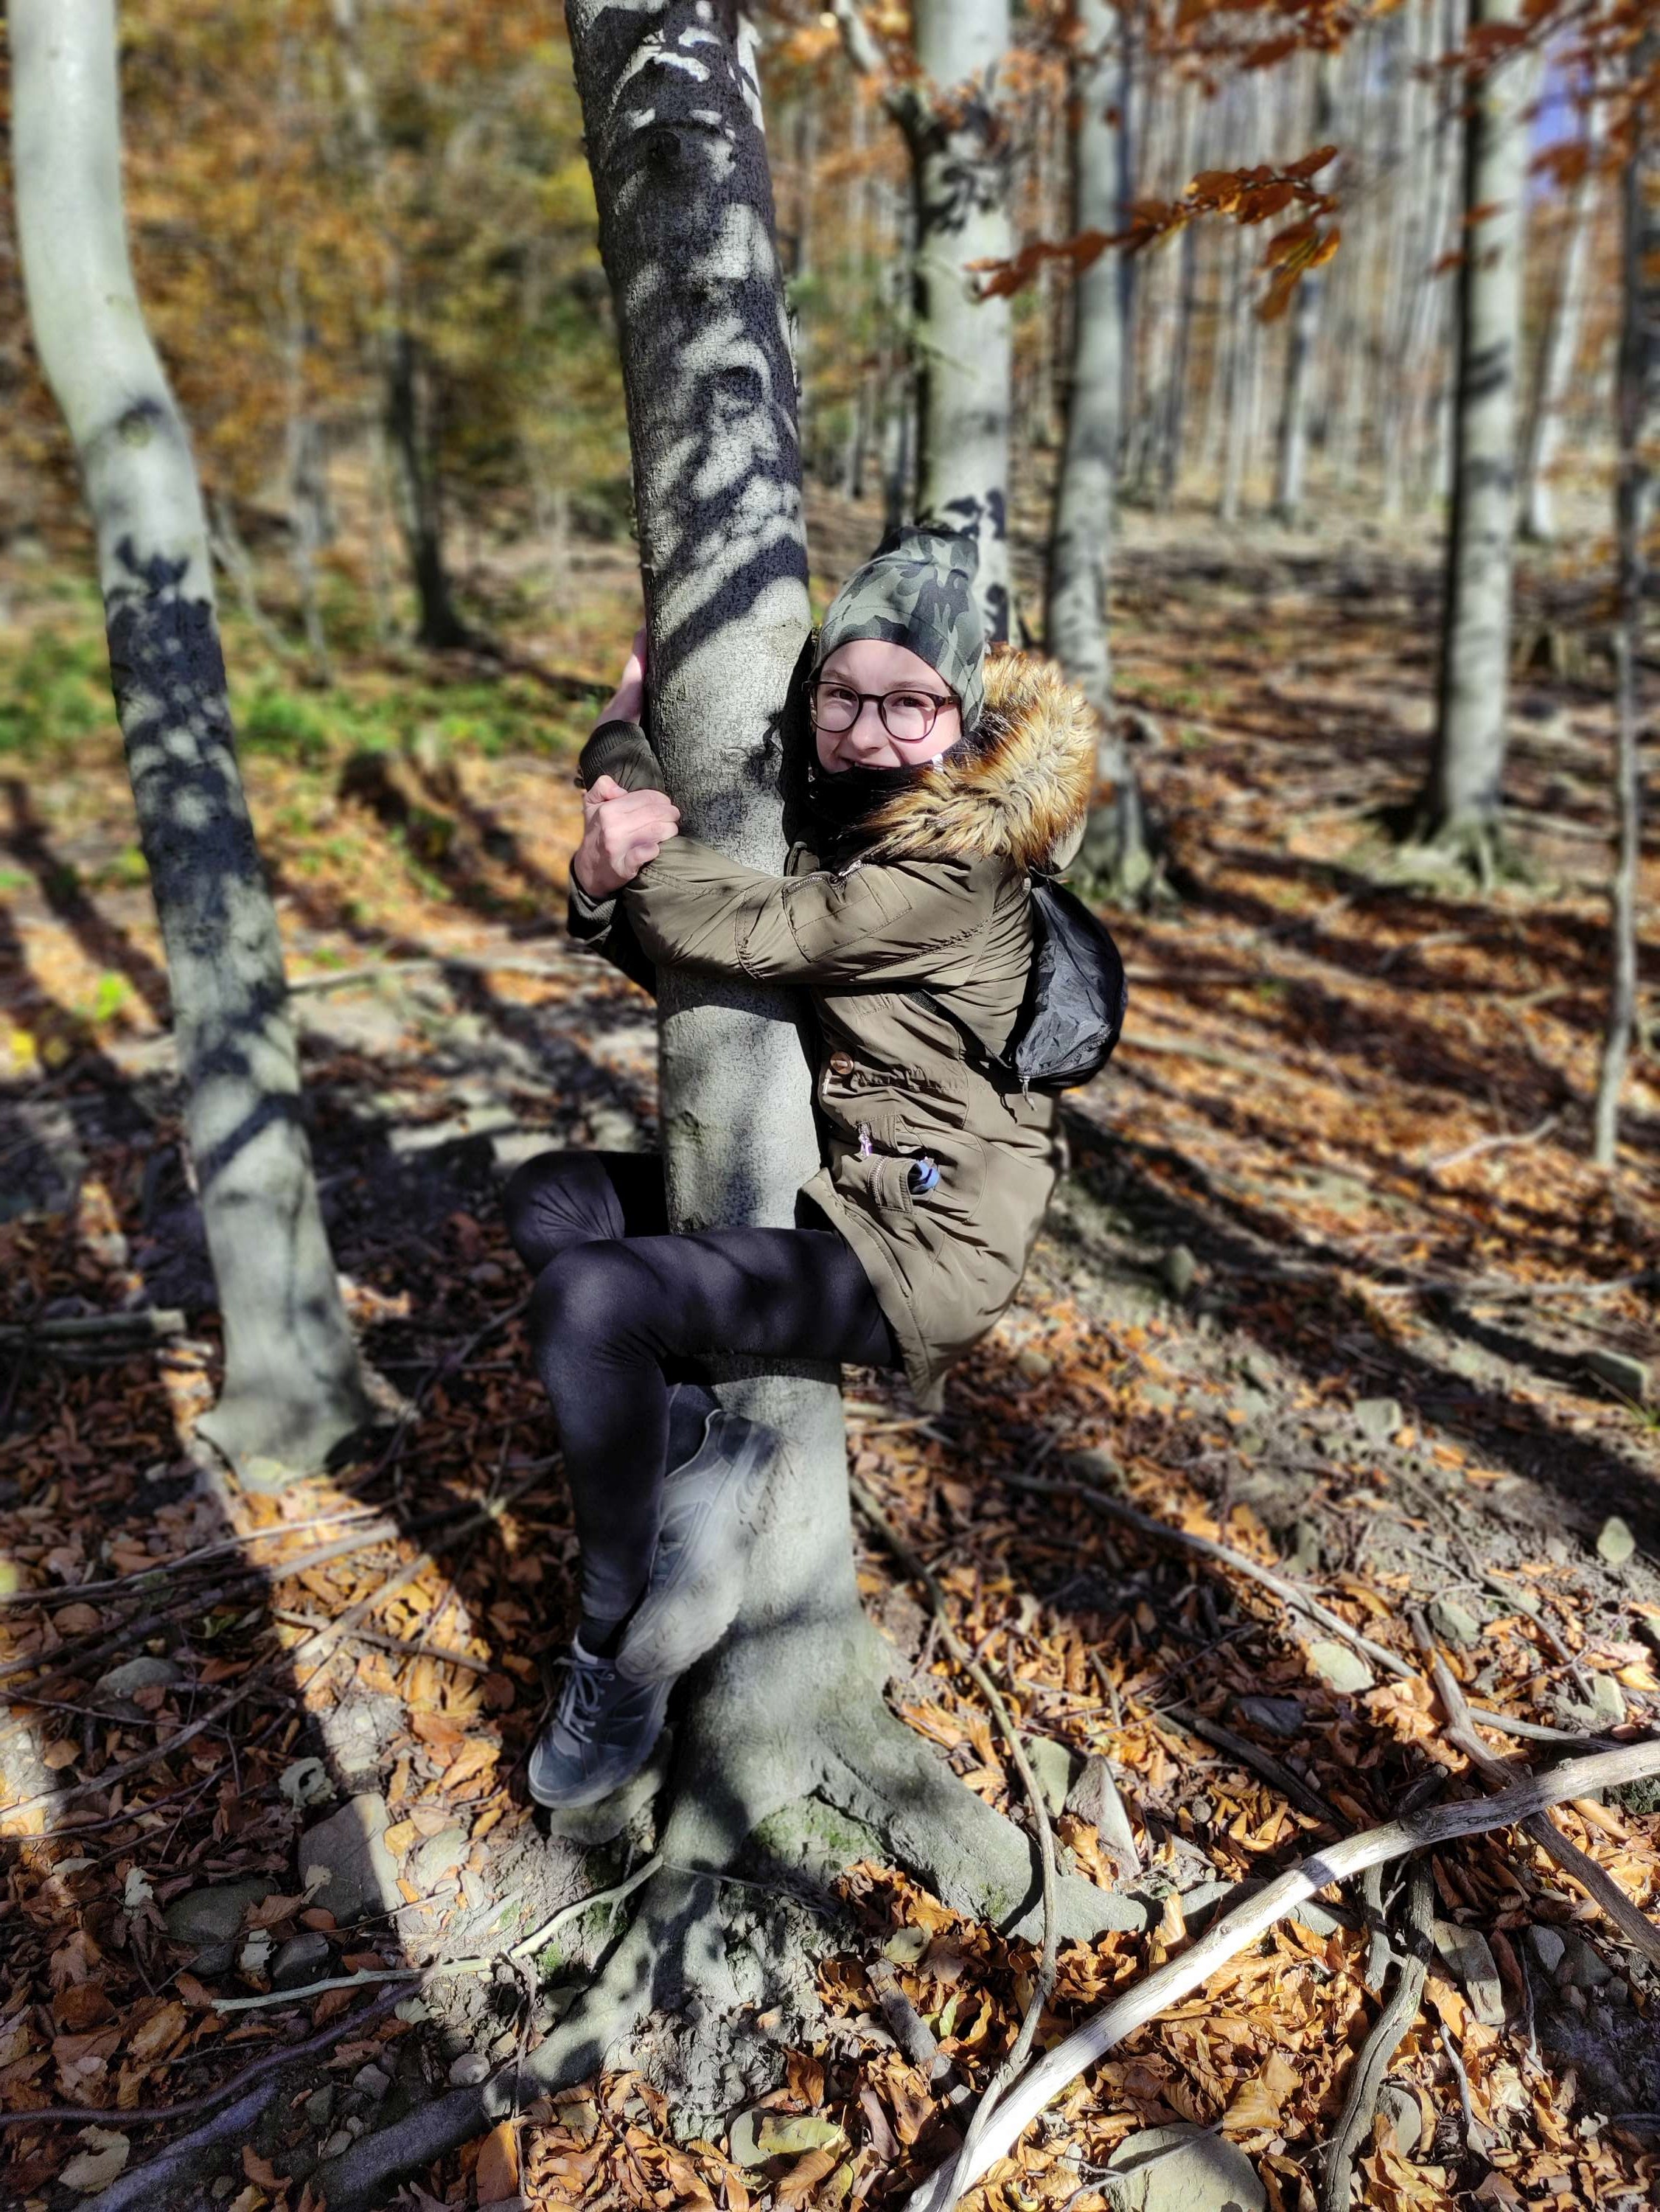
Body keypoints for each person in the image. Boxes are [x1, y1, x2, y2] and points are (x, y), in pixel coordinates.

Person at [503, 527, 1093, 1809]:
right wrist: (603, 874)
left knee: (593, 1300)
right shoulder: (845, 821)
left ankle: (612, 1654)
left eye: (909, 704)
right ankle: (690, 1457)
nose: (869, 733)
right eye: (842, 697)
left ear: (964, 715)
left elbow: (728, 923)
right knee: (552, 1199)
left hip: (917, 1247)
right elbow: (700, 960)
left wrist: (613, 750)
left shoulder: (956, 865)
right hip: (829, 1185)